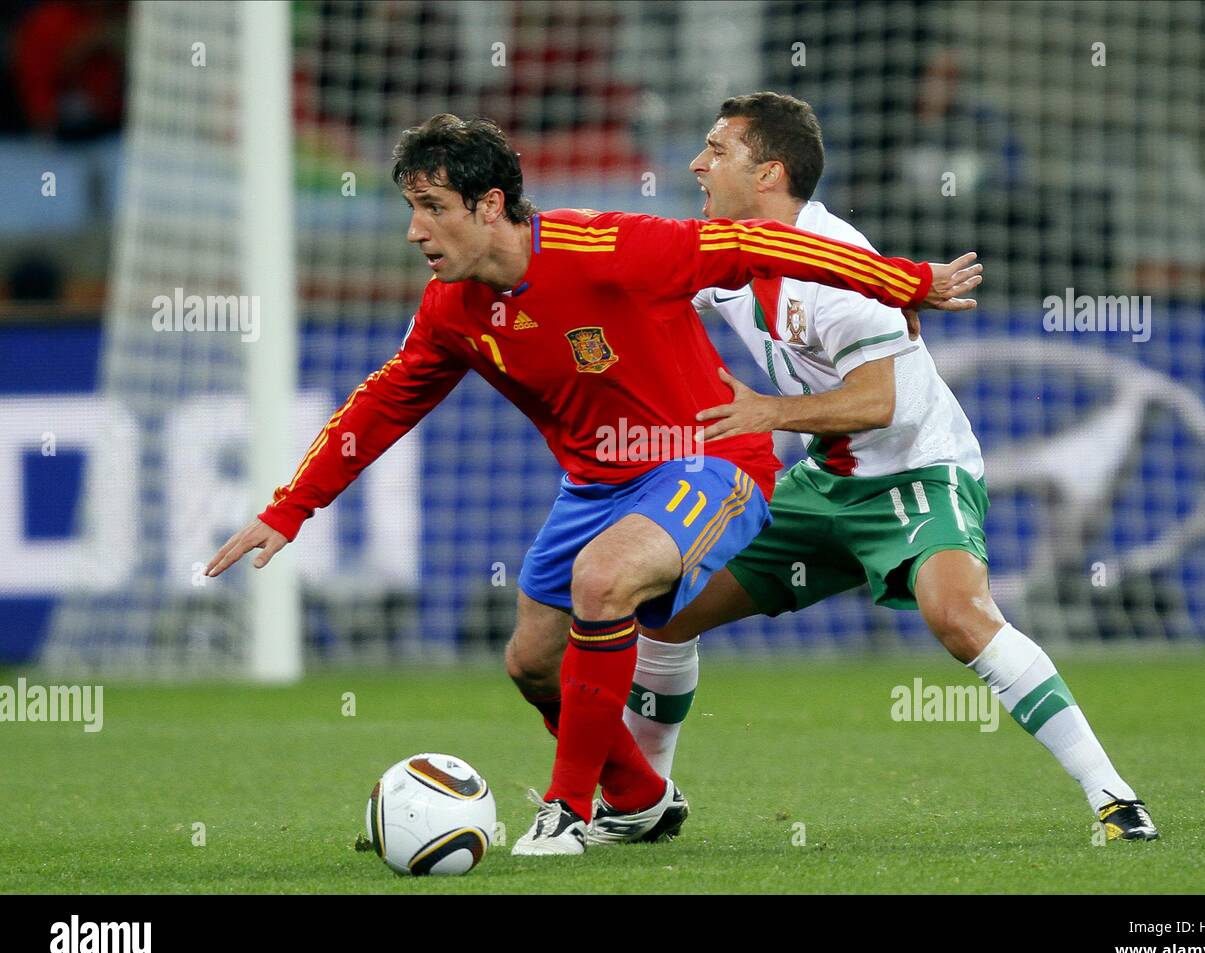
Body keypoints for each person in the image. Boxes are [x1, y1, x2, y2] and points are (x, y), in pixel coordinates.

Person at [204, 112, 983, 856]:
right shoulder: (452, 309)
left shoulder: (612, 246)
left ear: (491, 204)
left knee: (602, 579)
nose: (415, 231)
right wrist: (290, 509)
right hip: (597, 487)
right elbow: (383, 402)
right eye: (412, 209)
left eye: (433, 208)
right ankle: (642, 796)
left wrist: (905, 280)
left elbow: (759, 246)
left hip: (709, 459)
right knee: (531, 662)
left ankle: (567, 809)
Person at [588, 92, 1156, 844]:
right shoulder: (722, 251)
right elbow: (626, 263)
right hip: (825, 479)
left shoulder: (835, 267)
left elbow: (880, 400)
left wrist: (768, 412)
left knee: (958, 616)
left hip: (918, 469)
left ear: (770, 174)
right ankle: (645, 803)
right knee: (664, 607)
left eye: (717, 150)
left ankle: (1114, 797)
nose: (697, 163)